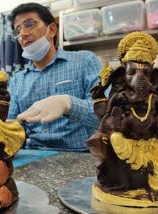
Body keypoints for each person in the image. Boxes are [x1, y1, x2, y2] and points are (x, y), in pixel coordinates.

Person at [7, 3, 102, 151]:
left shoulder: (85, 61)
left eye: (29, 24)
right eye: (18, 30)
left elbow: (105, 115)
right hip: (33, 154)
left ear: (51, 30)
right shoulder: (17, 80)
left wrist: (68, 103)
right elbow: (12, 127)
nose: (23, 34)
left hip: (80, 154)